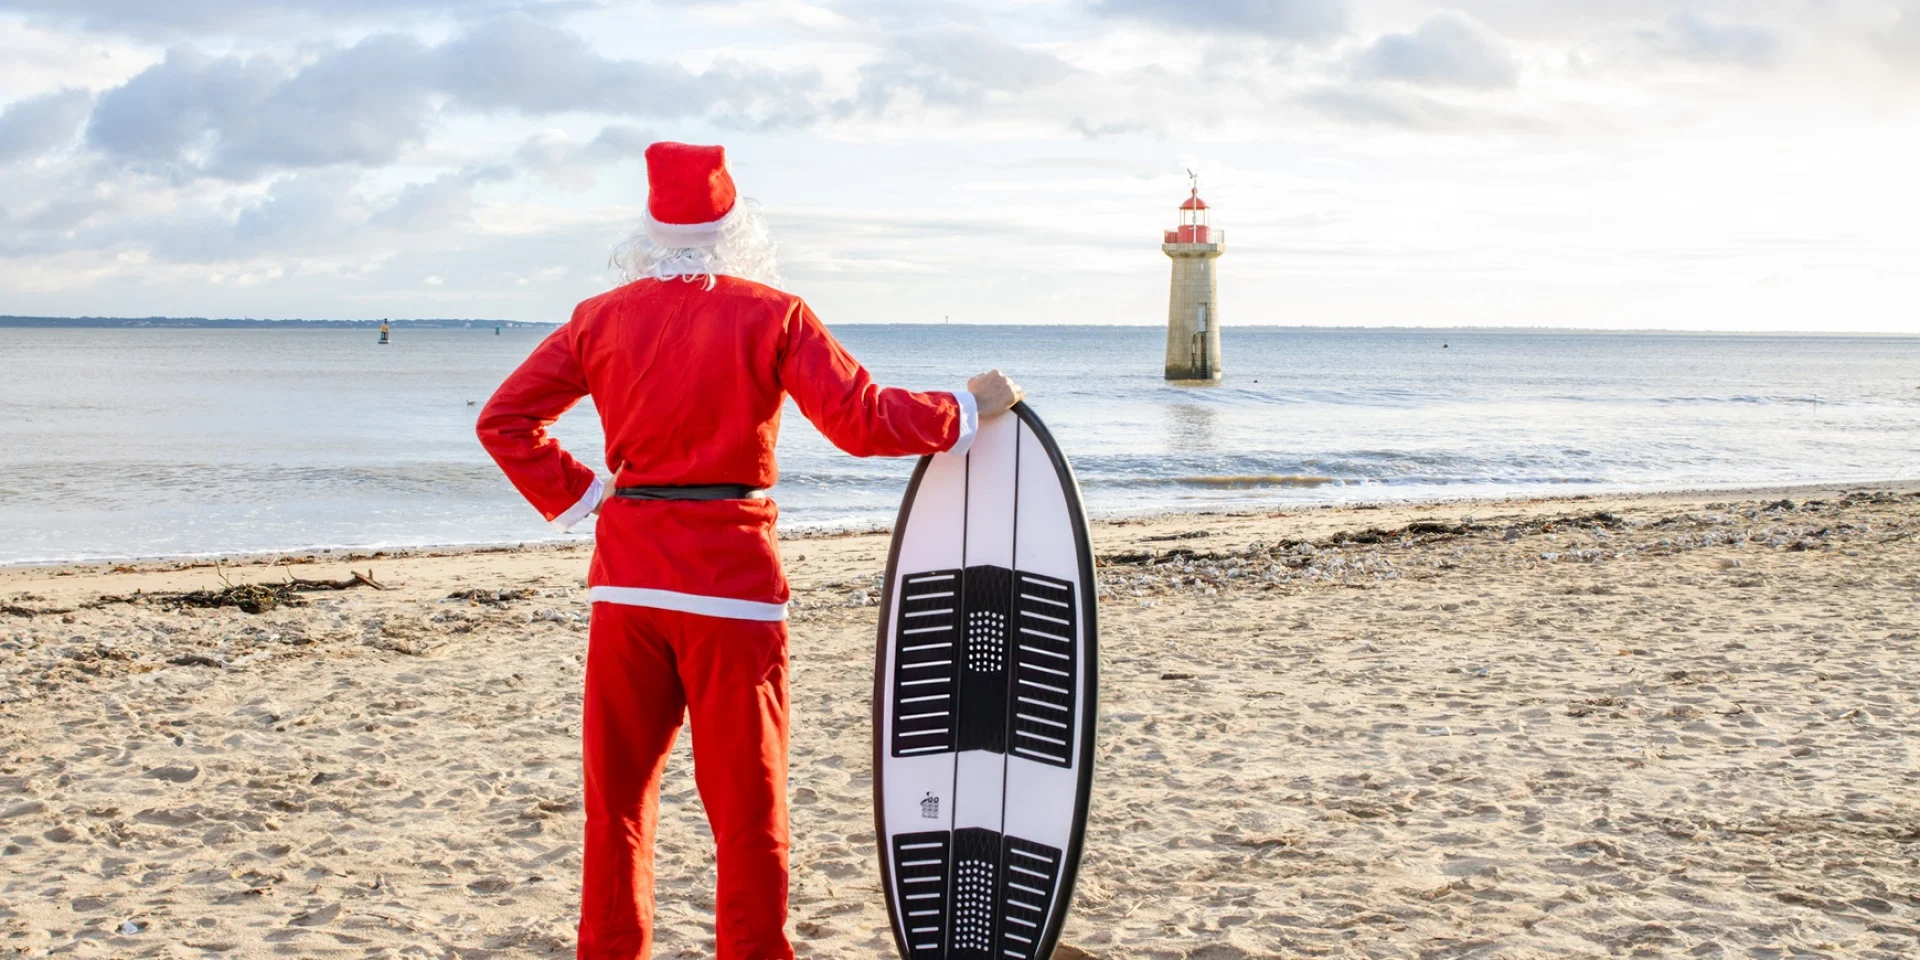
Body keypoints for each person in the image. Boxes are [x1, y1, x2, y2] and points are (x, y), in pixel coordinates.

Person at [476, 141, 1023, 960]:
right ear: (736, 227)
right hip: (730, 590)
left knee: (617, 802)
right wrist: (963, 409)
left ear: (651, 230)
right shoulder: (774, 312)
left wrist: (591, 498)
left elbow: (504, 422)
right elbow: (861, 418)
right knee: (747, 812)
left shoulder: (598, 317)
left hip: (626, 589)